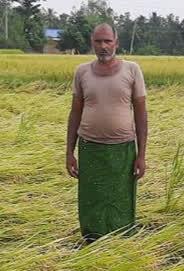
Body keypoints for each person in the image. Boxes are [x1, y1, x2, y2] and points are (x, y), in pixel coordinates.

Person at [66, 23, 148, 243]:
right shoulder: (82, 71)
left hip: (123, 150)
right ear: (92, 43)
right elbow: (75, 113)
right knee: (91, 199)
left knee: (121, 200)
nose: (103, 46)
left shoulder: (132, 70)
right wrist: (69, 153)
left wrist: (141, 155)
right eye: (98, 41)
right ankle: (92, 241)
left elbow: (141, 114)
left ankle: (120, 243)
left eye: (107, 41)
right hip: (90, 148)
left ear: (116, 43)